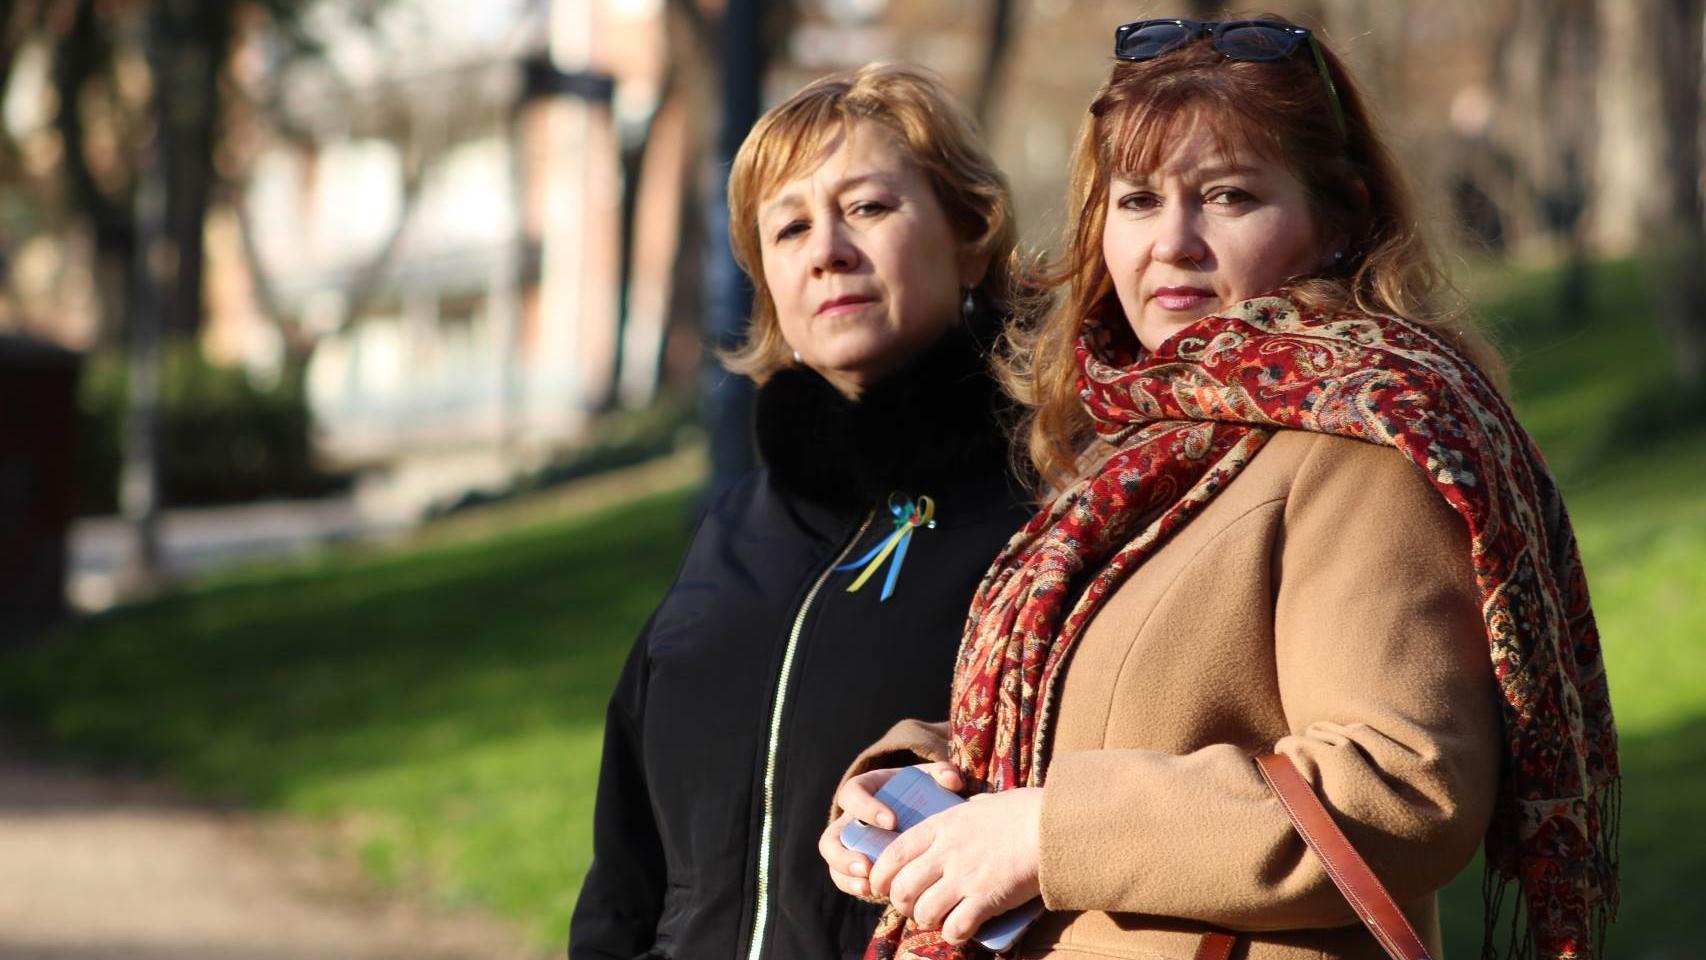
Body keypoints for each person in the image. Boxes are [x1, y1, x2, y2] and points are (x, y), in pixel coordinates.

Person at [821, 17, 1619, 960]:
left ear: (1342, 219)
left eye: (1229, 196)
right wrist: (922, 779)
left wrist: (1048, 836)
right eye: (1137, 200)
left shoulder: (1363, 443)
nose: (1174, 243)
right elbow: (1124, 710)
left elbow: (1403, 785)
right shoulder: (1146, 445)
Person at [569, 63, 1037, 960]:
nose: (827, 250)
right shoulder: (734, 529)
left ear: (970, 236)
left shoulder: (1049, 513)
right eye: (789, 227)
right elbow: (624, 870)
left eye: (868, 208)